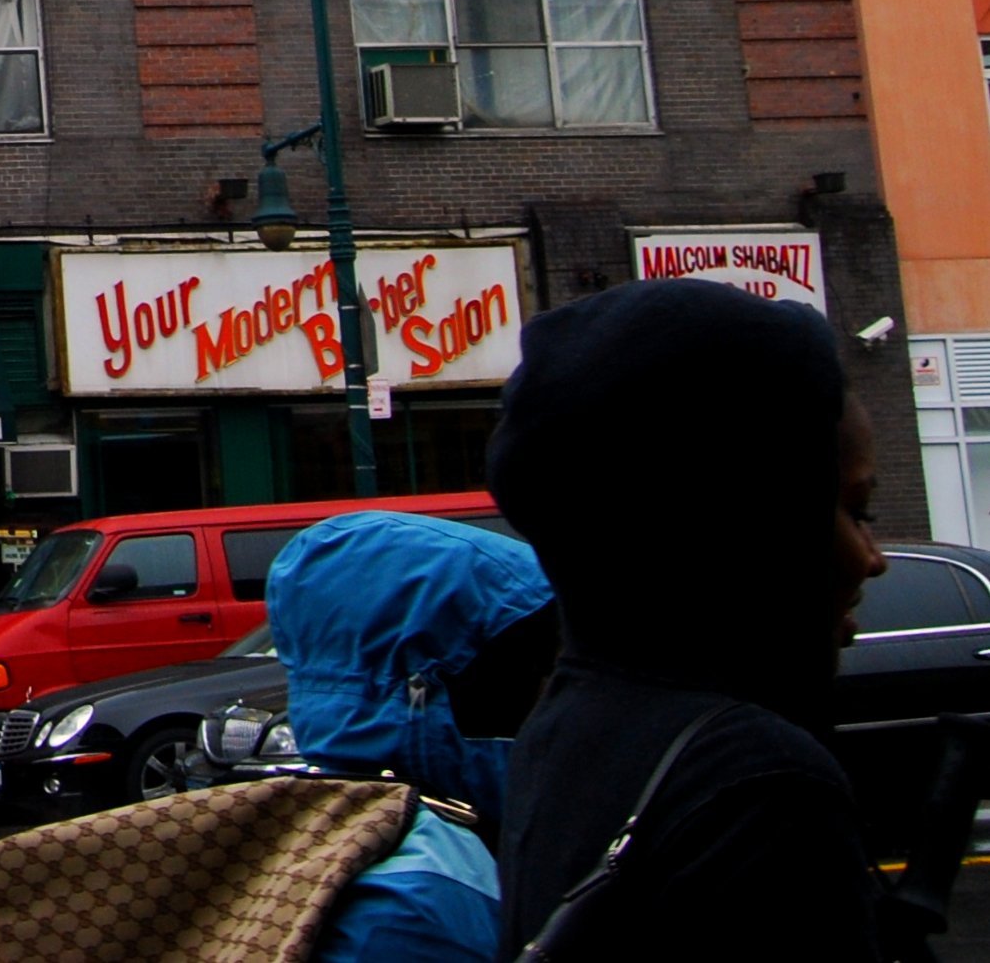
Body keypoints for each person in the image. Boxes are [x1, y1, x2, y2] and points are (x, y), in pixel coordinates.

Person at [487, 276, 889, 961]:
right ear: (747, 525)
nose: (873, 559)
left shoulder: (567, 723)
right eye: (854, 512)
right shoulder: (761, 787)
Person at [261, 509, 556, 961]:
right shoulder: (413, 900)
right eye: (529, 675)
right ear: (421, 690)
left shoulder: (321, 828)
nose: (548, 703)